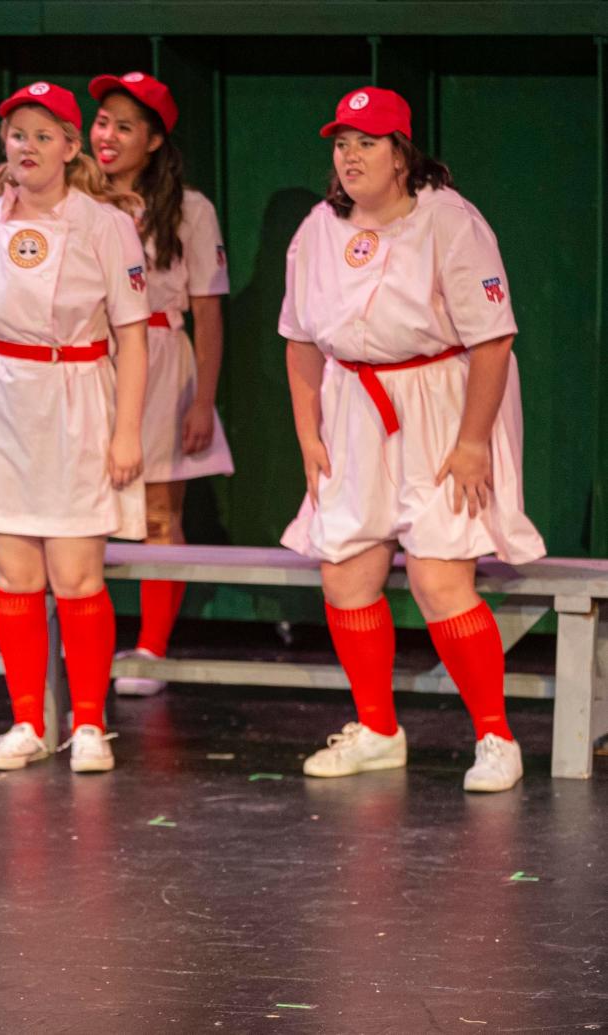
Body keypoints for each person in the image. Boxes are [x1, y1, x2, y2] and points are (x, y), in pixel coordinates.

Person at [280, 87, 546, 792]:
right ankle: (377, 728)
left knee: (438, 575)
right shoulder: (317, 228)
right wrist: (308, 433)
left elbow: (494, 340)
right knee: (345, 569)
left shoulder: (450, 222)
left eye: (367, 142)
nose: (350, 156)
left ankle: (496, 737)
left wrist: (471, 443)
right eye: (341, 143)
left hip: (440, 402)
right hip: (353, 404)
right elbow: (300, 340)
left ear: (402, 154)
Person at [0, 81, 150, 774]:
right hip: (3, 403)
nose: (26, 147)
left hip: (78, 396)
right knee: (16, 571)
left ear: (69, 146)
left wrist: (126, 432)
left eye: (41, 135)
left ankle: (89, 721)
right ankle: (28, 719)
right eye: (16, 135)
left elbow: (134, 336)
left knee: (77, 572)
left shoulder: (105, 223)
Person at [88, 71, 233, 696]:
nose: (108, 136)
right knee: (77, 510)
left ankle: (150, 645)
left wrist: (203, 400)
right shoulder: (76, 200)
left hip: (162, 355)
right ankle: (81, 640)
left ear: (153, 139)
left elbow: (209, 310)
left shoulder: (190, 209)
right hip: (90, 358)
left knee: (157, 512)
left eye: (125, 126)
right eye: (101, 122)